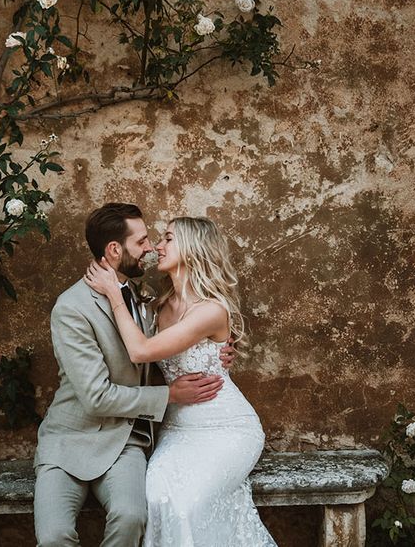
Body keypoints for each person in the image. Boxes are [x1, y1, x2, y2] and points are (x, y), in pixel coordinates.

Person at [34, 203, 233, 547]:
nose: (151, 249)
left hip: (126, 439)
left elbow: (177, 340)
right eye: (142, 242)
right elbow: (96, 397)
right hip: (69, 440)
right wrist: (169, 396)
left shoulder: (146, 299)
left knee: (131, 518)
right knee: (54, 536)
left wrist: (219, 350)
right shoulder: (72, 307)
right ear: (115, 249)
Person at [84, 216, 276, 547]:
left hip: (227, 429)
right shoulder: (156, 306)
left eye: (168, 239)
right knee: (157, 499)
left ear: (192, 249)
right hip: (176, 430)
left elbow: (141, 351)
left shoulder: (212, 311)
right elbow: (151, 364)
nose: (158, 246)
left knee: (187, 505)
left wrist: (114, 295)